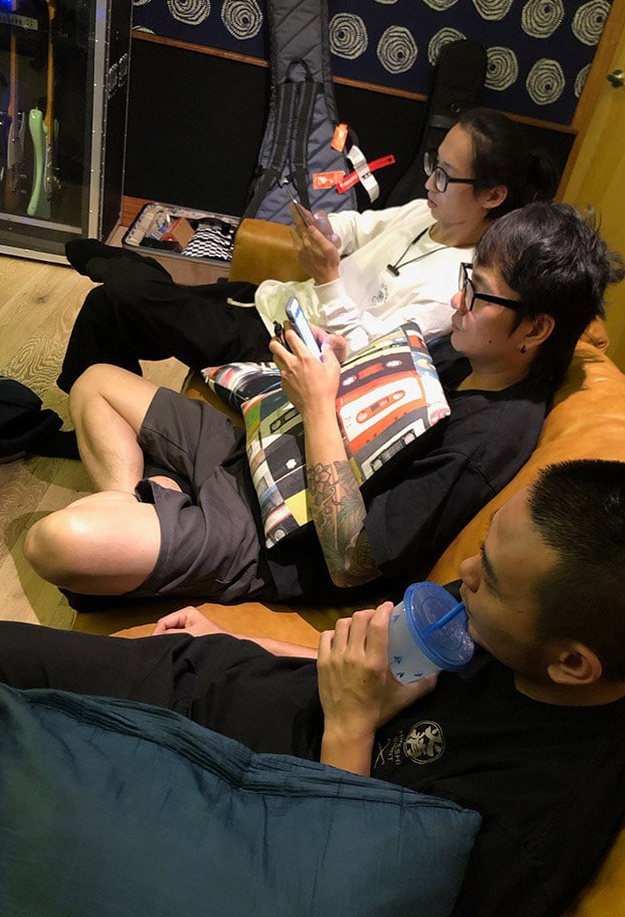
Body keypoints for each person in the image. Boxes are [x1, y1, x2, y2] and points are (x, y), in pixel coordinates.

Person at [6, 459, 625, 917]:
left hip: (211, 805)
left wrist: (350, 726)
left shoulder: (529, 827)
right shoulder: (505, 636)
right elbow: (368, 669)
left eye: (489, 578)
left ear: (573, 664)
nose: (464, 574)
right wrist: (246, 643)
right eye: (483, 547)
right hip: (200, 681)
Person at [23, 202, 623, 611]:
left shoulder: (489, 439)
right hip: (264, 448)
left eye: (478, 291)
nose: (456, 300)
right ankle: (139, 499)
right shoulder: (470, 353)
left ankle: (157, 506)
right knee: (95, 382)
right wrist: (339, 366)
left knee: (53, 541)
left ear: (535, 328)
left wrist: (315, 404)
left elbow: (351, 562)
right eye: (467, 277)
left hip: (273, 537)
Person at [56, 107, 557, 392]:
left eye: (445, 175)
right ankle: (81, 428)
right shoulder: (427, 212)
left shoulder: (462, 287)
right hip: (274, 302)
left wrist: (328, 277)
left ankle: (136, 267)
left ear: (493, 196)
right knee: (106, 305)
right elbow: (359, 226)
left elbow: (367, 360)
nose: (429, 181)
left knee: (129, 293)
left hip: (286, 352)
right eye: (433, 163)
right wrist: (325, 228)